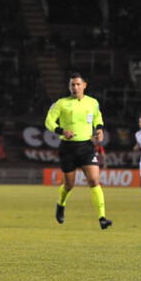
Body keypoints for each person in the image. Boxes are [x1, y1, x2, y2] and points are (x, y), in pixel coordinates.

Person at [45, 72, 112, 229]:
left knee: (94, 180)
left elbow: (97, 117)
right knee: (69, 185)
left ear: (84, 85)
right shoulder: (61, 103)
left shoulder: (92, 103)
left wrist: (100, 129)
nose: (75, 87)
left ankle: (102, 217)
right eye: (72, 85)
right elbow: (48, 121)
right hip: (68, 148)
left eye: (77, 84)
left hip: (86, 147)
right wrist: (61, 131)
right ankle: (61, 204)